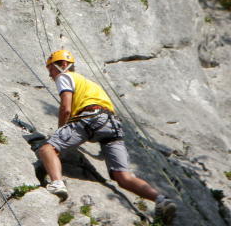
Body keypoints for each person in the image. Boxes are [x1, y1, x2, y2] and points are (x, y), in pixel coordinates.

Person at [38, 49, 177, 223]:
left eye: (51, 69)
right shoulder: (92, 85)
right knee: (123, 176)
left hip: (91, 117)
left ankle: (57, 183)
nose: (50, 75)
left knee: (47, 149)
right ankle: (161, 200)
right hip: (112, 125)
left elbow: (66, 107)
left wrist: (61, 130)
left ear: (63, 65)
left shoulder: (64, 77)